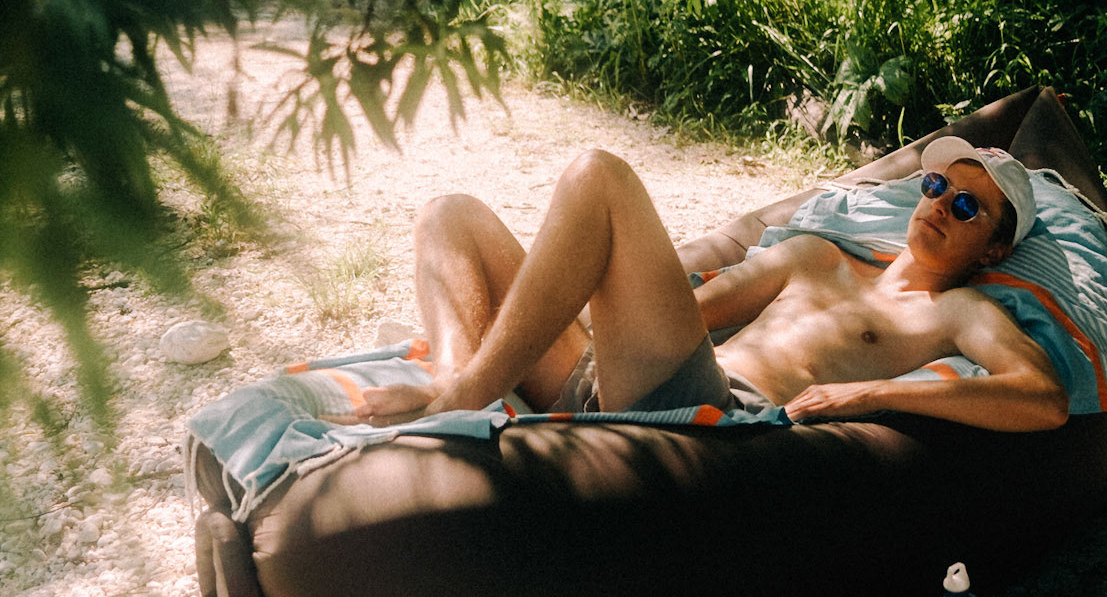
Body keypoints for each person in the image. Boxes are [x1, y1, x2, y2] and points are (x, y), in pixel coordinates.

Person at [351, 138, 1069, 433]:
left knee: (599, 176)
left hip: (708, 412)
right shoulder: (813, 256)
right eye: (936, 186)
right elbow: (682, 312)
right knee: (450, 214)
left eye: (966, 206)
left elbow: (1044, 399)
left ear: (994, 248)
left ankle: (456, 401)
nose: (940, 205)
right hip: (628, 376)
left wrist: (870, 394)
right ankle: (452, 382)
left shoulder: (959, 311)